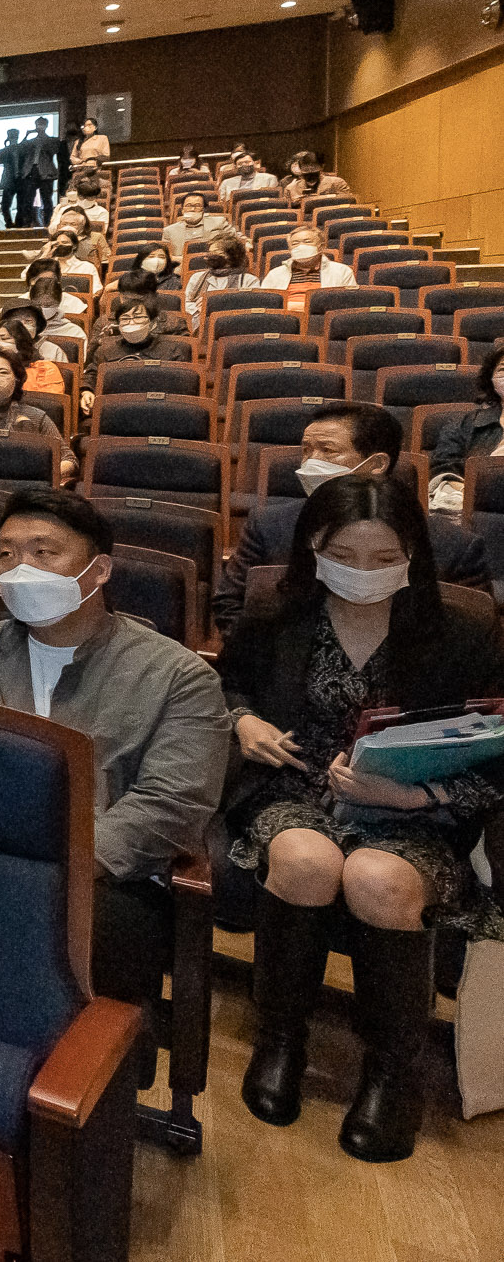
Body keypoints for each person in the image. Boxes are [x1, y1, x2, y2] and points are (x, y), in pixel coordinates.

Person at [213, 475, 504, 1160]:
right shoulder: (276, 617)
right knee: (306, 860)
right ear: (315, 546)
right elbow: (226, 683)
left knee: (380, 881)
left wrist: (416, 799)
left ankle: (391, 1074)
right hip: (295, 786)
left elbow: (496, 750)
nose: (364, 572)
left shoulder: (464, 632)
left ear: (412, 556)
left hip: (414, 809)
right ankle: (280, 1040)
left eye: (384, 558)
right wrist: (244, 719)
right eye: (347, 553)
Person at [0, 487, 231, 1080]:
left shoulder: (179, 675)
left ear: (99, 570)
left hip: (109, 878)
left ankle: (73, 1084)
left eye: (45, 553)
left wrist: (61, 857)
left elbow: (171, 807)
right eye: (7, 554)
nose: (21, 570)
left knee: (65, 924)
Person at [207, 404, 484, 638]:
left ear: (376, 465)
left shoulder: (453, 545)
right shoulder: (269, 525)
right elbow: (229, 603)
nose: (310, 462)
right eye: (306, 450)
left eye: (327, 451)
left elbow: (470, 632)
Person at [430, 345, 504, 512]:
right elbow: (443, 471)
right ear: (491, 379)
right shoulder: (464, 424)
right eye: (503, 369)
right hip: (476, 511)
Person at [183, 235, 259, 330]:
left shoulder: (249, 280)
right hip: (199, 323)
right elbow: (187, 302)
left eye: (215, 253)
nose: (209, 256)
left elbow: (250, 308)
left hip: (235, 326)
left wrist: (214, 308)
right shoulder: (197, 277)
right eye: (210, 252)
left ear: (231, 256)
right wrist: (199, 311)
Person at [261, 224, 356, 290]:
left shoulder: (342, 271)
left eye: (307, 242)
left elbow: (349, 303)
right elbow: (266, 303)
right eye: (295, 243)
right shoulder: (275, 274)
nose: (301, 246)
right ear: (290, 249)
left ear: (321, 246)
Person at [162, 192, 231, 261]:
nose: (192, 209)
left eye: (197, 205)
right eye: (188, 205)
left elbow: (234, 244)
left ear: (203, 210)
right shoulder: (169, 231)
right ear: (182, 210)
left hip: (216, 264)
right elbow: (166, 256)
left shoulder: (220, 222)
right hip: (181, 267)